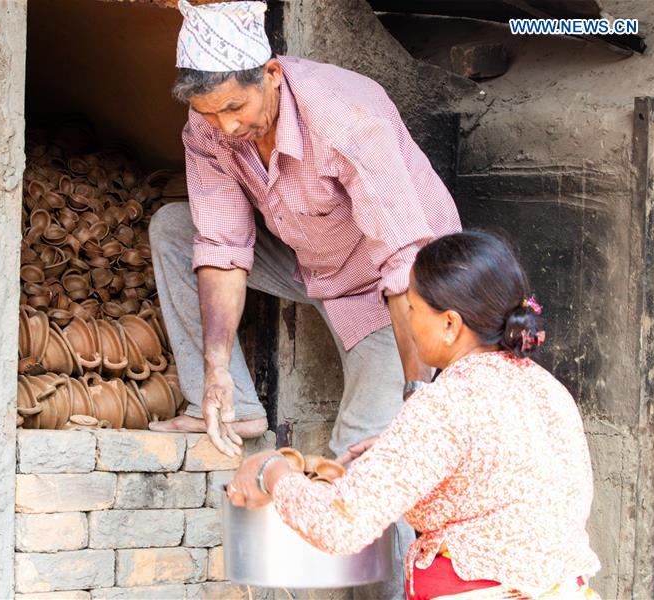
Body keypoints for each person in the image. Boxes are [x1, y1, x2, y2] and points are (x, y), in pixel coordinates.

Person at [149, 4, 459, 594]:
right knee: (173, 229)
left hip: (389, 282)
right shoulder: (209, 129)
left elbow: (403, 261)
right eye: (208, 115)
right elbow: (222, 242)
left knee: (364, 463)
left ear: (269, 72)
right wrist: (214, 368)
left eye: (235, 108)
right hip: (310, 257)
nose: (226, 129)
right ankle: (231, 404)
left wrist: (417, 393)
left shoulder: (346, 114)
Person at [226, 231, 602, 599]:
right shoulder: (547, 388)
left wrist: (269, 471)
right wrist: (403, 452)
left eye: (413, 309)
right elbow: (499, 475)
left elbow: (339, 526)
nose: (405, 320)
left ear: (450, 325)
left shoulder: (447, 402)